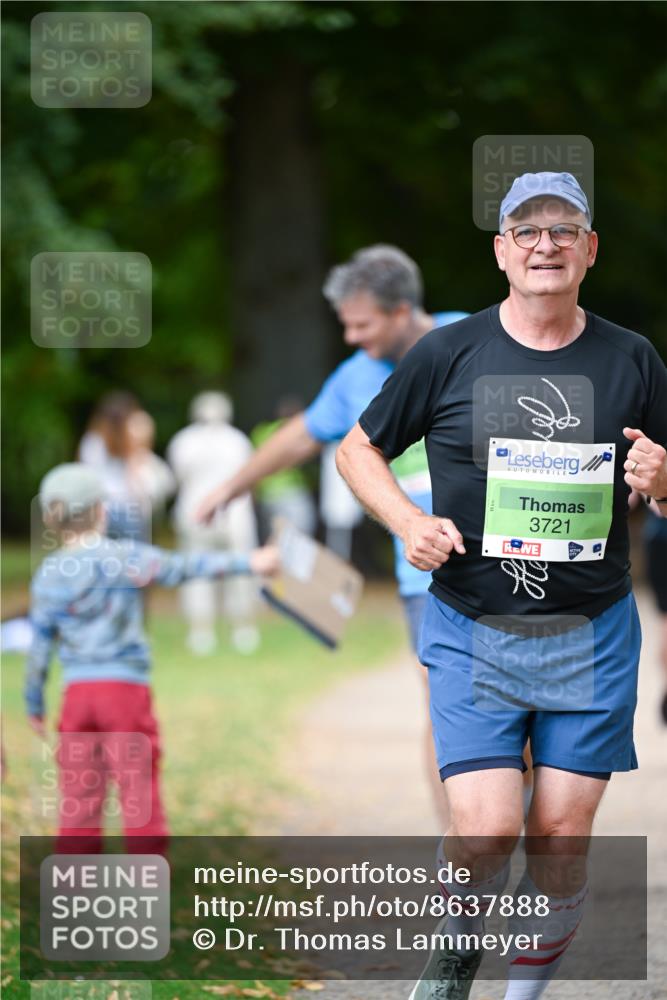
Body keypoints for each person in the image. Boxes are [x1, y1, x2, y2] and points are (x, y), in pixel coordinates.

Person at [336, 173, 667, 999]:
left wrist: (663, 480)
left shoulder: (632, 358)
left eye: (563, 231)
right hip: (470, 621)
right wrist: (408, 525)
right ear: (500, 252)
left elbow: (665, 485)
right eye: (526, 231)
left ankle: (521, 997)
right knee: (483, 830)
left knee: (559, 836)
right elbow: (356, 450)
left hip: (588, 632)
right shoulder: (448, 353)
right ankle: (451, 966)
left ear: (589, 250)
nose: (544, 245)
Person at [196, 244, 468, 827]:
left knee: (513, 718)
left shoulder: (474, 340)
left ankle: (504, 824)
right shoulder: (354, 377)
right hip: (424, 578)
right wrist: (230, 487)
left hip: (504, 563)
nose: (351, 337)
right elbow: (300, 436)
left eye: (361, 324)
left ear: (401, 312)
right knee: (447, 712)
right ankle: (464, 861)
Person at [25, 463, 279, 854]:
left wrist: (34, 704)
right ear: (101, 511)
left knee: (79, 795)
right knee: (137, 792)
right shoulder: (126, 558)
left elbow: (39, 644)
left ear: (50, 518)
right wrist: (250, 562)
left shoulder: (47, 574)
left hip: (76, 697)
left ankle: (75, 891)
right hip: (124, 693)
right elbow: (185, 567)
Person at [167, 392, 261, 655]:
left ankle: (208, 631)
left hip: (202, 513)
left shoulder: (184, 441)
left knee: (203, 573)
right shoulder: (236, 441)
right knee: (235, 572)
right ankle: (231, 629)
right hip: (228, 514)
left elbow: (179, 477)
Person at [79, 391, 174, 542]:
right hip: (129, 509)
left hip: (103, 510)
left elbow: (87, 476)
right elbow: (135, 476)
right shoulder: (130, 439)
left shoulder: (92, 441)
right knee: (136, 561)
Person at [250, 396, 317, 539]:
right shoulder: (293, 431)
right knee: (301, 537)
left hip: (267, 495)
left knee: (273, 538)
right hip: (291, 492)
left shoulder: (261, 431)